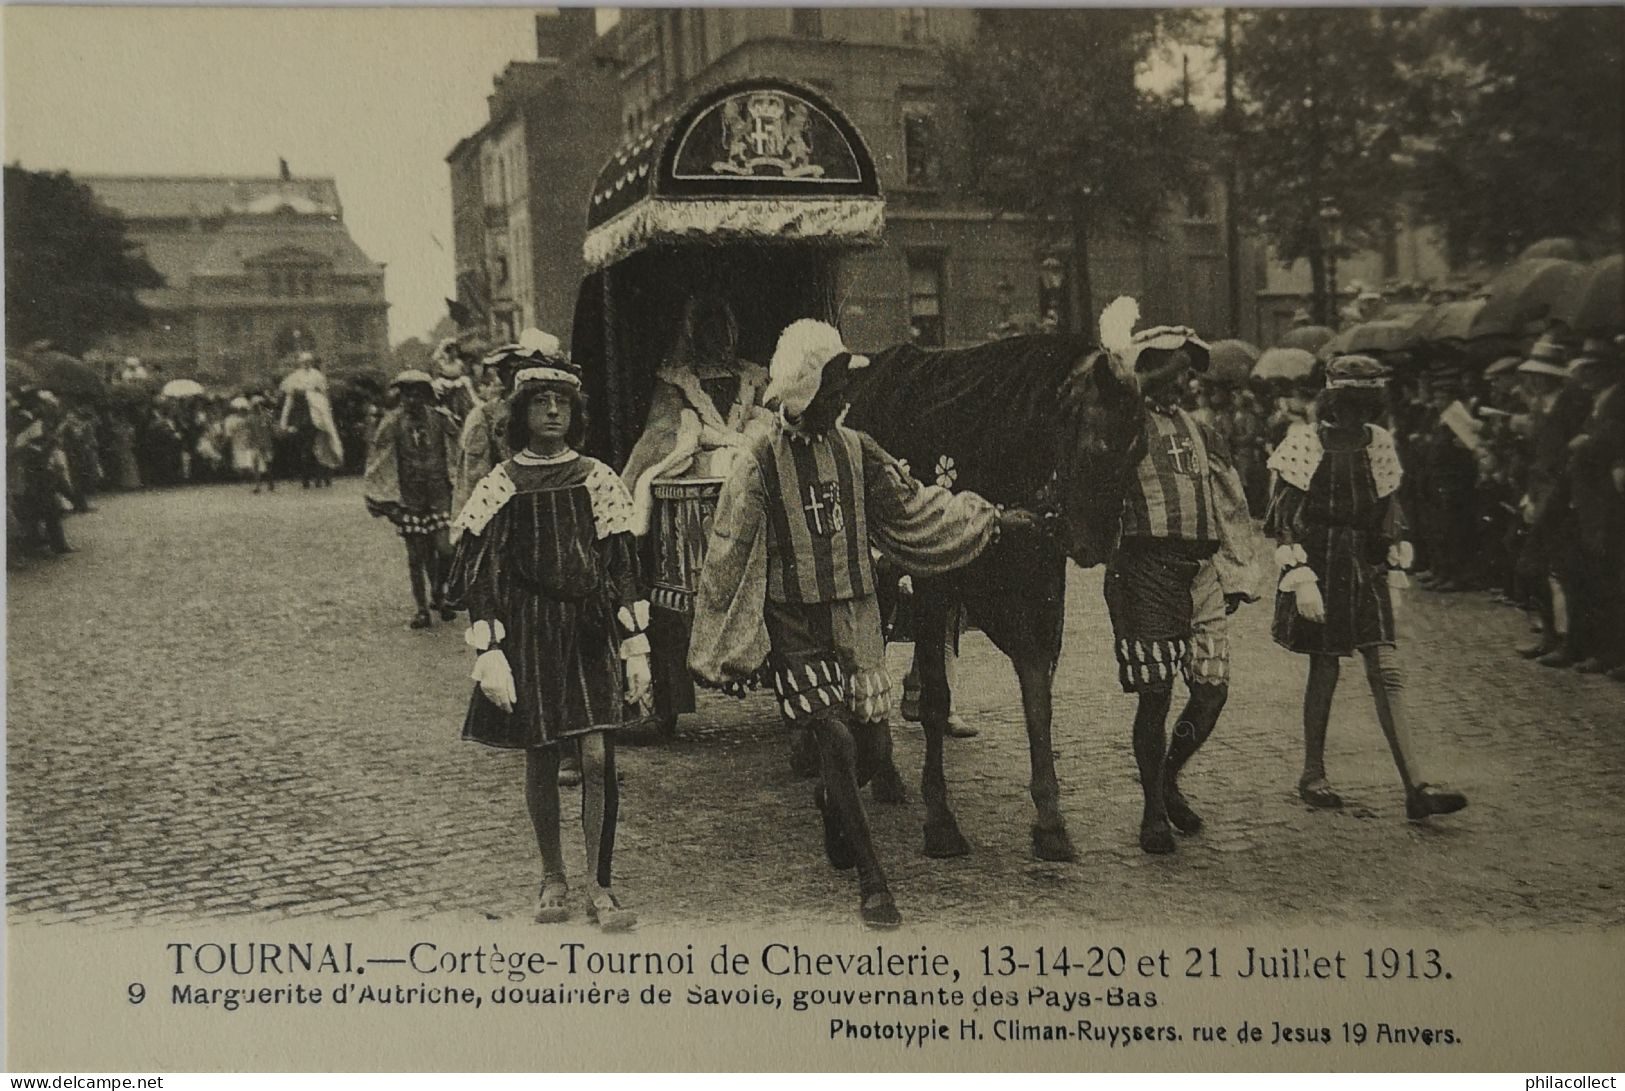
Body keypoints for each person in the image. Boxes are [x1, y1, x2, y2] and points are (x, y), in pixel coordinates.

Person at [689, 319, 1034, 929]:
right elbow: (728, 551)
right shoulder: (759, 461)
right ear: (803, 387)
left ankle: (832, 797)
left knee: (871, 750)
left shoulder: (858, 449)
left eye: (844, 385)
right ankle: (875, 883)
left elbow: (913, 506)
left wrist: (993, 519)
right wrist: (731, 641)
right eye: (832, 385)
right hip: (794, 623)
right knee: (839, 739)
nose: (842, 397)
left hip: (856, 618)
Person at [445, 353, 650, 931]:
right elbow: (480, 569)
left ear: (575, 411)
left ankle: (599, 884)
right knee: (540, 754)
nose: (553, 410)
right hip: (531, 630)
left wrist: (635, 641)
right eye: (541, 401)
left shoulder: (597, 476)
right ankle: (552, 877)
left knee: (594, 754)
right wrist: (489, 649)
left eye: (563, 401)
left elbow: (620, 561)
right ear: (521, 412)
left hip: (588, 628)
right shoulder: (504, 482)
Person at [1268, 354, 1467, 822]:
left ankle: (1415, 788)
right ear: (1332, 401)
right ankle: (1312, 773)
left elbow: (1388, 507)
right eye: (1348, 403)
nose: (1356, 414)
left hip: (1364, 562)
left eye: (1365, 403)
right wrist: (1299, 577)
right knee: (1326, 665)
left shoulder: (1379, 442)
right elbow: (1282, 518)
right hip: (1320, 563)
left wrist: (1391, 553)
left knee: (1386, 666)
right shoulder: (1305, 442)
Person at [1093, 299, 1229, 854]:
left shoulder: (1198, 429)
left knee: (1211, 692)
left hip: (1200, 573)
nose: (1184, 386)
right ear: (1146, 371)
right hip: (1145, 570)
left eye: (1189, 377)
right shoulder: (1122, 424)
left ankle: (1170, 776)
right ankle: (1152, 807)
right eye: (1174, 375)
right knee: (1155, 694)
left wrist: (1235, 566)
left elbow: (1228, 499)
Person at [622, 296, 773, 734]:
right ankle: (664, 703)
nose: (716, 338)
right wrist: (701, 435)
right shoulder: (678, 380)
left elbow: (771, 417)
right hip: (698, 469)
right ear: (693, 333)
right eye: (706, 329)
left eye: (722, 328)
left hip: (748, 465)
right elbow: (663, 432)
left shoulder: (751, 376)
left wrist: (752, 434)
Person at [364, 371, 462, 628]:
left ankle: (439, 593)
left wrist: (458, 481)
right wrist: (384, 495)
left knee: (445, 549)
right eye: (406, 393)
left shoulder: (440, 419)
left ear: (426, 394)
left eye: (417, 392)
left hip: (440, 494)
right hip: (410, 498)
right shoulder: (393, 422)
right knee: (416, 555)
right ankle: (422, 609)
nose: (412, 398)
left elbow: (459, 445)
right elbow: (379, 456)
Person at [1562, 339, 1625, 677]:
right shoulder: (1600, 400)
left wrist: (1585, 445)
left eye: (1592, 368)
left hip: (1608, 503)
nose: (1586, 374)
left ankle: (1612, 653)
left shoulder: (1618, 401)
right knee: (1598, 578)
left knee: (1608, 580)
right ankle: (1604, 651)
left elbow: (1610, 443)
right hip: (1591, 500)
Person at [279, 351, 343, 488]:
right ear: (300, 363)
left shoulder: (317, 376)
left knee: (322, 445)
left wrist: (327, 415)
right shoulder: (294, 377)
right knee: (304, 449)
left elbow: (325, 396)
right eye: (304, 362)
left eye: (309, 361)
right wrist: (284, 422)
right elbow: (288, 401)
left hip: (318, 414)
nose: (307, 364)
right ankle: (306, 478)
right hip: (303, 416)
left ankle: (323, 476)